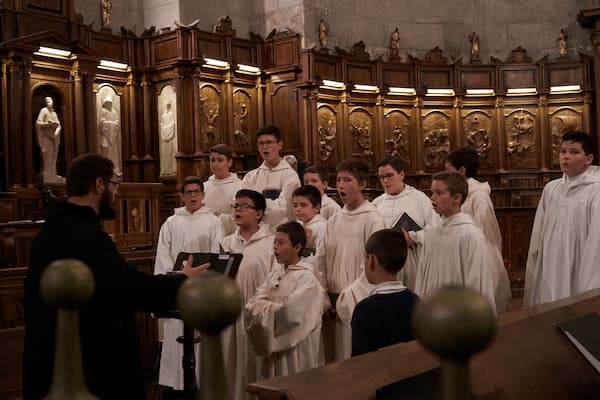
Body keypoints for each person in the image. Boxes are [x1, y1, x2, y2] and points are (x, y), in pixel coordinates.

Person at [23, 153, 207, 400]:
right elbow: (127, 286)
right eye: (115, 184)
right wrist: (181, 280)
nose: (117, 192)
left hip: (51, 357)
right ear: (99, 184)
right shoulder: (89, 236)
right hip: (91, 361)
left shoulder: (48, 232)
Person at [154, 176, 223, 398]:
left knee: (201, 337)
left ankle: (201, 383)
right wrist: (172, 281)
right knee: (176, 334)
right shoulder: (171, 222)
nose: (193, 196)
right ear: (182, 196)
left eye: (196, 191)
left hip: (202, 289)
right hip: (177, 288)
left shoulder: (213, 222)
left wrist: (204, 281)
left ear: (203, 195)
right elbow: (163, 256)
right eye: (188, 192)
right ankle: (177, 385)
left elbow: (215, 254)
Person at [409, 172, 510, 315]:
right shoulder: (431, 234)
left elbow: (478, 286)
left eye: (438, 193)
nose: (432, 198)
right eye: (432, 193)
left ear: (457, 198)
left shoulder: (471, 235)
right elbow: (422, 279)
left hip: (459, 319)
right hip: (431, 317)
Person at [317, 159, 385, 361]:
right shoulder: (333, 220)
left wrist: (348, 296)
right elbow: (321, 259)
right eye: (338, 180)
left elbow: (374, 265)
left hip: (358, 301)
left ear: (362, 184)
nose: (341, 185)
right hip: (330, 304)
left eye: (347, 180)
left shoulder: (373, 219)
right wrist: (324, 296)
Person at [525, 131, 600, 307]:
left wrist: (591, 287)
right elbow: (538, 233)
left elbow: (596, 241)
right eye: (563, 151)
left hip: (580, 263)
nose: (566, 157)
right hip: (551, 263)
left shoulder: (596, 189)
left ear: (588, 159)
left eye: (574, 152)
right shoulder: (551, 189)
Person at [244, 221, 328, 379]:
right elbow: (251, 305)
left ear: (297, 247)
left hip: (296, 351)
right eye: (274, 242)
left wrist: (265, 308)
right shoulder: (275, 273)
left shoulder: (308, 279)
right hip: (272, 351)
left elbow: (290, 314)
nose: (275, 247)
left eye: (281, 243)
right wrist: (272, 307)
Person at [221, 189, 275, 400]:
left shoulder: (271, 243)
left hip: (257, 314)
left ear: (259, 214)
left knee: (254, 362)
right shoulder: (226, 244)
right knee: (230, 361)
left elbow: (276, 279)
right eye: (235, 206)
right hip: (230, 311)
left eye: (244, 206)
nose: (238, 210)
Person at [372, 157, 439, 290]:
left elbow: (436, 229)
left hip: (411, 262)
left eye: (389, 176)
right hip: (384, 264)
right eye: (381, 177)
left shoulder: (419, 199)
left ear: (401, 174)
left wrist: (414, 237)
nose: (385, 181)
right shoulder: (376, 203)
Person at [351, 229, 419, 357]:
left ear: (372, 260)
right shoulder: (416, 301)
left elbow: (359, 362)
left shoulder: (364, 310)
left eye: (365, 257)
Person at [240, 125, 300, 230]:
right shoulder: (250, 177)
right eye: (261, 143)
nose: (265, 147)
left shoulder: (290, 176)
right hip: (255, 234)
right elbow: (242, 206)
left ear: (280, 145)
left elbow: (283, 210)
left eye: (269, 142)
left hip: (281, 233)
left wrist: (254, 205)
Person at [445, 147, 503, 255]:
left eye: (448, 170)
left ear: (462, 171)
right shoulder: (458, 194)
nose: (446, 176)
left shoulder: (479, 196)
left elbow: (486, 234)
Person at [203, 144, 241, 235]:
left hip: (231, 236)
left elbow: (243, 217)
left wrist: (219, 217)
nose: (215, 164)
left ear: (230, 162)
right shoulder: (203, 187)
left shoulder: (240, 186)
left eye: (220, 160)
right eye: (212, 160)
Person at [292, 185, 327, 265]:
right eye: (295, 205)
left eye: (303, 205)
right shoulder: (297, 224)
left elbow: (321, 257)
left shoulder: (323, 227)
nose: (298, 209)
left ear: (316, 208)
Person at [35, 96, 62, 181]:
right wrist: (47, 124)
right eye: (47, 101)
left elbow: (59, 125)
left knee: (53, 155)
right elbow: (38, 123)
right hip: (46, 136)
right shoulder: (43, 111)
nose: (49, 102)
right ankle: (45, 171)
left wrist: (56, 133)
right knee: (45, 153)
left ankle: (52, 172)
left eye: (50, 100)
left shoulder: (54, 113)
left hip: (53, 138)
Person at [99, 95, 122, 176]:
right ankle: (106, 170)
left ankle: (115, 169)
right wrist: (111, 124)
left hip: (113, 136)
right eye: (107, 103)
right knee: (106, 152)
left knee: (114, 153)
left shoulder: (114, 111)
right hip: (106, 136)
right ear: (105, 103)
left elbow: (117, 123)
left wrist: (113, 125)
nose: (109, 104)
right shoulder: (103, 111)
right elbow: (102, 122)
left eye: (110, 103)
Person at [159, 102, 177, 176]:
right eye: (166, 105)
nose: (167, 106)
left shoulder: (171, 114)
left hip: (169, 135)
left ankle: (172, 170)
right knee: (164, 153)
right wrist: (164, 130)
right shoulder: (163, 115)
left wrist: (166, 129)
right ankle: (165, 170)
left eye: (168, 105)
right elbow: (162, 124)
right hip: (165, 134)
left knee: (171, 152)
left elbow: (172, 123)